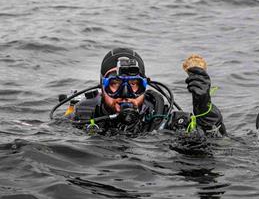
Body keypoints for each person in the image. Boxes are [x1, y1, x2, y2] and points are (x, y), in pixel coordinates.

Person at [61, 48, 226, 136]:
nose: (124, 93)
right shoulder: (82, 116)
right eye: (115, 84)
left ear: (145, 86)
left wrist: (204, 107)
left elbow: (217, 147)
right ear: (101, 86)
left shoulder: (163, 121)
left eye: (133, 84)